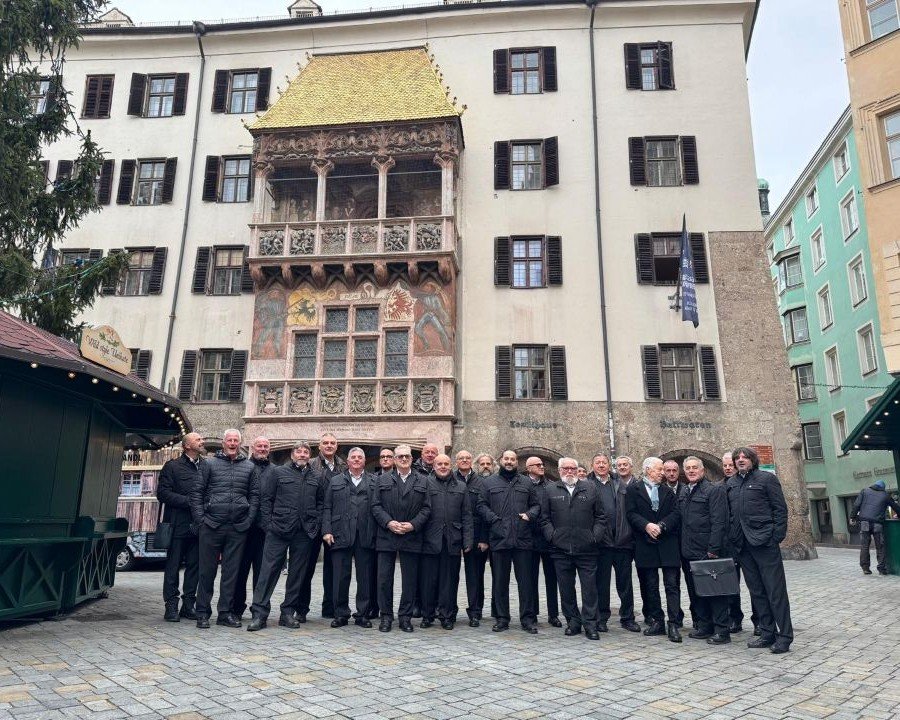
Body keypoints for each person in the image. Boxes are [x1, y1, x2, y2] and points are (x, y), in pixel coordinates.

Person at [247, 442, 323, 631]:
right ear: (292, 454)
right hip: (278, 530)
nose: (303, 454)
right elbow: (266, 500)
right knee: (268, 572)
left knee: (297, 574)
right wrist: (269, 525)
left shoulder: (316, 476)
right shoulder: (278, 472)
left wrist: (315, 524)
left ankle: (288, 613)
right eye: (299, 451)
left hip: (303, 532)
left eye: (306, 452)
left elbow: (320, 503)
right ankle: (259, 613)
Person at [725, 446, 793, 654]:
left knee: (775, 591)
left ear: (753, 460)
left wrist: (775, 537)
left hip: (764, 543)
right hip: (743, 546)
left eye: (745, 457)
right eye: (738, 458)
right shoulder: (731, 483)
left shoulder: (766, 479)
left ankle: (785, 636)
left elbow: (780, 510)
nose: (741, 460)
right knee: (757, 592)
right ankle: (767, 632)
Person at [189, 429, 259, 629]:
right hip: (211, 525)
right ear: (223, 442)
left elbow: (254, 496)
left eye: (236, 440)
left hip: (237, 527)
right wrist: (201, 519)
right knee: (206, 572)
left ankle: (225, 613)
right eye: (229, 440)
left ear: (240, 443)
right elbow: (197, 493)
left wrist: (248, 520)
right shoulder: (208, 463)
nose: (233, 443)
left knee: (231, 573)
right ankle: (202, 612)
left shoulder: (249, 466)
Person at [539, 458, 608, 640]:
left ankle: (590, 624)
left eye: (573, 468)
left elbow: (601, 516)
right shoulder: (550, 490)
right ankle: (573, 622)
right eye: (566, 468)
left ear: (578, 470)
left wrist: (594, 537)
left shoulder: (590, 488)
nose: (569, 471)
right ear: (559, 470)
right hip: (560, 549)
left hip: (587, 549)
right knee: (566, 589)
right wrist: (552, 536)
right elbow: (544, 518)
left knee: (589, 589)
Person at [476, 450, 540, 634]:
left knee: (525, 582)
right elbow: (481, 505)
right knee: (500, 582)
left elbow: (537, 505)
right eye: (507, 459)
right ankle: (502, 618)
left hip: (523, 539)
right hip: (499, 538)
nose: (510, 462)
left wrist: (529, 514)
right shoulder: (489, 483)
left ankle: (527, 619)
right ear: (501, 461)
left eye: (513, 459)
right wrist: (494, 520)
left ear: (516, 462)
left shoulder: (527, 482)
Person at [371, 445, 431, 632]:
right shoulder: (382, 480)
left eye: (407, 456)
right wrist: (388, 522)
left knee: (410, 580)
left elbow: (427, 508)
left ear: (412, 459)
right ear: (394, 459)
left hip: (411, 535)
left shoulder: (423, 480)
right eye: (400, 456)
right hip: (387, 535)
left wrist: (413, 524)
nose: (404, 459)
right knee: (383, 579)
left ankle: (405, 617)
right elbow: (375, 506)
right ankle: (386, 617)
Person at [625, 457, 682, 643]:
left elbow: (676, 513)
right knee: (650, 585)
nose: (662, 473)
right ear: (648, 470)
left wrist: (662, 525)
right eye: (659, 469)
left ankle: (674, 622)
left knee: (672, 585)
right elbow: (631, 513)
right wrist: (647, 525)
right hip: (645, 543)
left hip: (667, 543)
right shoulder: (633, 490)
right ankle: (657, 620)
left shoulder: (668, 491)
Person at [322, 447, 378, 628]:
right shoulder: (336, 480)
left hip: (365, 534)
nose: (356, 460)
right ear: (347, 461)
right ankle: (341, 614)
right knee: (340, 577)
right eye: (353, 457)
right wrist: (327, 530)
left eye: (359, 457)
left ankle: (362, 614)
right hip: (340, 533)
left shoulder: (374, 481)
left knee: (365, 577)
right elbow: (327, 507)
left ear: (364, 460)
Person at [679, 456, 731, 644]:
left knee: (715, 592)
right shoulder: (684, 491)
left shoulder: (713, 490)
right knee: (696, 592)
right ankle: (705, 625)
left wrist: (713, 549)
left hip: (707, 551)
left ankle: (721, 630)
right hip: (689, 551)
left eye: (695, 468)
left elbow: (720, 522)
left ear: (702, 471)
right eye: (688, 468)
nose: (691, 471)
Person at [420, 454, 473, 629]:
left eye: (446, 464)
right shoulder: (425, 483)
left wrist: (468, 539)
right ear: (433, 466)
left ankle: (446, 616)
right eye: (439, 464)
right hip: (430, 539)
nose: (443, 466)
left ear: (451, 466)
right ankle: (427, 615)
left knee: (449, 581)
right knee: (428, 580)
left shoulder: (461, 486)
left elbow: (466, 515)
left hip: (453, 540)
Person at [157, 432, 206, 622]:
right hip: (177, 525)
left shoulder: (206, 466)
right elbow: (163, 494)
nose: (202, 442)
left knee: (195, 567)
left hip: (199, 525)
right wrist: (190, 502)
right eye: (198, 440)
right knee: (173, 566)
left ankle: (188, 605)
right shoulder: (173, 466)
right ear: (187, 446)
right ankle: (171, 606)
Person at [589, 453, 640, 633]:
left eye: (604, 462)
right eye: (598, 462)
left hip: (622, 541)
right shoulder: (588, 484)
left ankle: (628, 618)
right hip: (601, 543)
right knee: (601, 584)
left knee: (625, 583)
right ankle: (601, 617)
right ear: (592, 465)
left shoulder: (619, 482)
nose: (601, 465)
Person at [232, 436, 277, 621]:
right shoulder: (243, 466)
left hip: (265, 530)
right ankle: (236, 609)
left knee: (262, 574)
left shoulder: (276, 471)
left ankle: (259, 610)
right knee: (239, 571)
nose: (263, 449)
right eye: (259, 445)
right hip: (243, 528)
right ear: (252, 447)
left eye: (266, 446)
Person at [303, 433, 346, 620]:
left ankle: (330, 607)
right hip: (312, 522)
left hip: (334, 524)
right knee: (306, 568)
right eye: (325, 443)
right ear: (318, 446)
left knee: (332, 569)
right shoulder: (310, 464)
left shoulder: (343, 465)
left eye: (332, 443)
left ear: (337, 446)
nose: (329, 445)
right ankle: (301, 609)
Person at [722, 451, 758, 635]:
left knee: (755, 584)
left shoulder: (748, 482)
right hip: (730, 545)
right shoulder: (722, 486)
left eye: (731, 464)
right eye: (726, 465)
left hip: (748, 542)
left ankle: (759, 620)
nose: (729, 468)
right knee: (731, 585)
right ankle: (734, 618)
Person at [525, 456, 561, 628]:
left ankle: (553, 614)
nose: (542, 467)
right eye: (537, 465)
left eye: (542, 464)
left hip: (548, 538)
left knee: (551, 579)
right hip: (530, 538)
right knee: (530, 579)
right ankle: (531, 614)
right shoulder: (523, 485)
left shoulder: (550, 485)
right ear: (528, 467)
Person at [456, 450, 489, 627]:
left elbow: (484, 511)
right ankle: (447, 610)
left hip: (477, 535)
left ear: (471, 462)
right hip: (454, 533)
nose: (464, 460)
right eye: (461, 458)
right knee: (449, 575)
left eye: (467, 458)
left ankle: (475, 611)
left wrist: (484, 538)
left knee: (475, 575)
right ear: (456, 462)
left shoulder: (482, 482)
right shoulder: (450, 479)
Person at [851, 479, 900, 575]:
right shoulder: (885, 495)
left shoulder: (864, 491)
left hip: (864, 522)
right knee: (880, 546)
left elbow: (856, 505)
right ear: (883, 488)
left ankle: (865, 568)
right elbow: (895, 507)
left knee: (865, 545)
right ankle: (881, 569)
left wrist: (852, 517)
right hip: (877, 523)